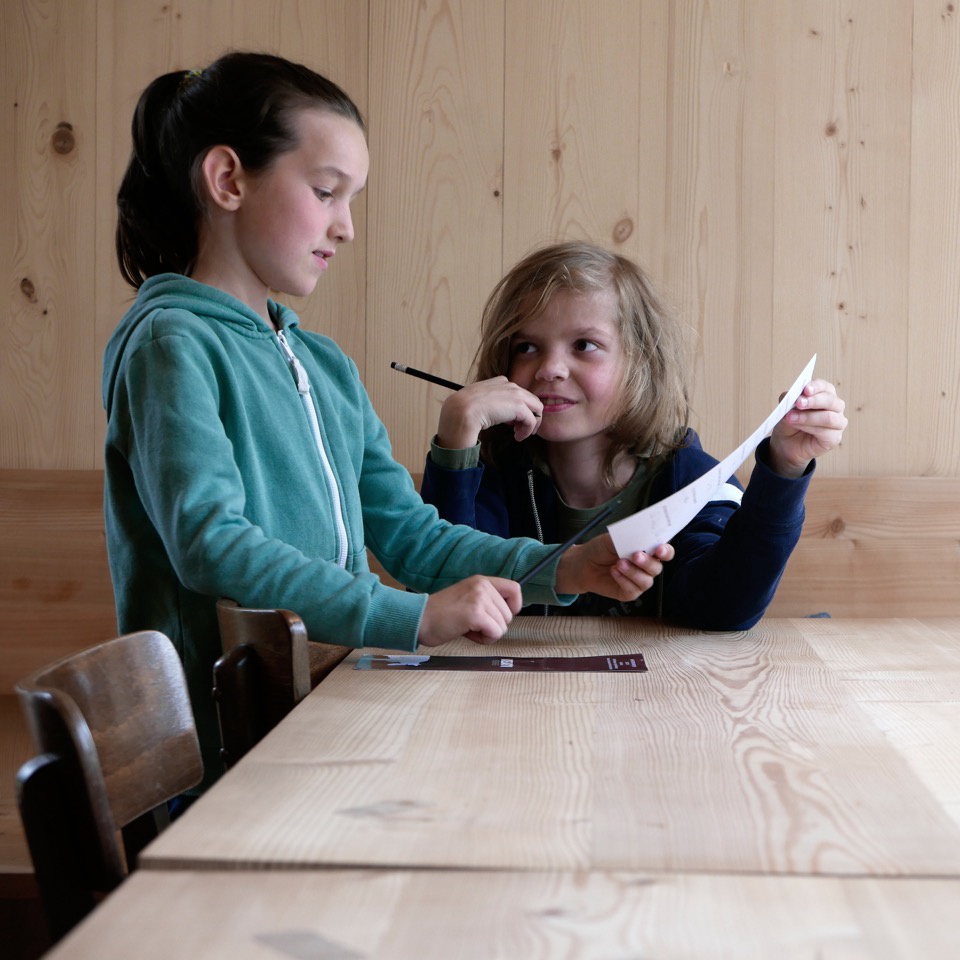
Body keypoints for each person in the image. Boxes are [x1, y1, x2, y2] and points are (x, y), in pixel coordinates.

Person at [104, 54, 653, 787]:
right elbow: (212, 545)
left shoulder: (323, 365)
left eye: (352, 199)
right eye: (326, 192)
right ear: (228, 179)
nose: (346, 227)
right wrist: (410, 617)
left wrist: (564, 568)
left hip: (322, 714)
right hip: (221, 751)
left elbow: (412, 539)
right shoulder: (171, 345)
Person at [420, 241, 848, 627]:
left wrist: (785, 468)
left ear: (641, 364)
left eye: (584, 345)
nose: (549, 368)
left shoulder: (693, 478)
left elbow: (724, 608)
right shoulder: (491, 475)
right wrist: (456, 446)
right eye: (526, 347)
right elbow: (445, 601)